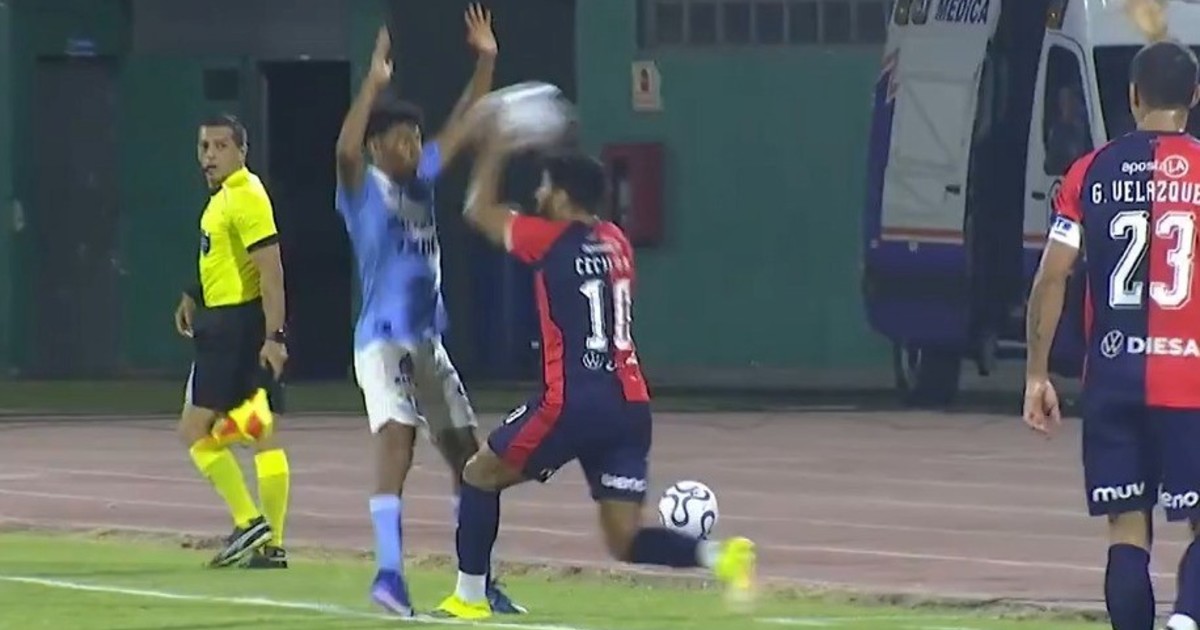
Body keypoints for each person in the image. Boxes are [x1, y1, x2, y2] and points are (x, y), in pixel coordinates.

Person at [433, 119, 757, 621]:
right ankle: (720, 557)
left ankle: (469, 597)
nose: (537, 195)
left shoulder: (548, 239)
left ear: (563, 197)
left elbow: (477, 210)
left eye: (544, 186)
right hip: (629, 404)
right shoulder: (616, 241)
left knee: (478, 474)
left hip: (571, 400)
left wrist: (496, 143)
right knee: (623, 538)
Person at [332, 8, 522, 617]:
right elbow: (344, 150)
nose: (414, 144)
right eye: (402, 137)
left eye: (416, 136)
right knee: (398, 440)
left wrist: (486, 61)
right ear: (377, 146)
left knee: (473, 460)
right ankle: (389, 574)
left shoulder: (423, 182)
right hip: (382, 340)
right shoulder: (363, 188)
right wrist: (373, 85)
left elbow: (463, 126)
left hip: (427, 343)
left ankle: (477, 581)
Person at [1024, 3, 1200, 629]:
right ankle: (1187, 619)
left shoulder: (1090, 172)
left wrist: (1037, 374)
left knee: (1126, 528)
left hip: (1113, 378)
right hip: (1191, 381)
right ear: (1194, 96)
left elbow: (1052, 276)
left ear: (1132, 97)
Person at [174, 114, 291, 569]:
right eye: (204, 147)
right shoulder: (226, 197)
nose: (209, 156)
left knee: (193, 430)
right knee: (258, 430)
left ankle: (249, 521)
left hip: (232, 329)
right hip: (233, 322)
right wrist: (193, 293)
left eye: (221, 146)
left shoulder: (244, 197)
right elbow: (224, 258)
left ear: (242, 151)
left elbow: (271, 273)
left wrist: (275, 336)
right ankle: (272, 545)